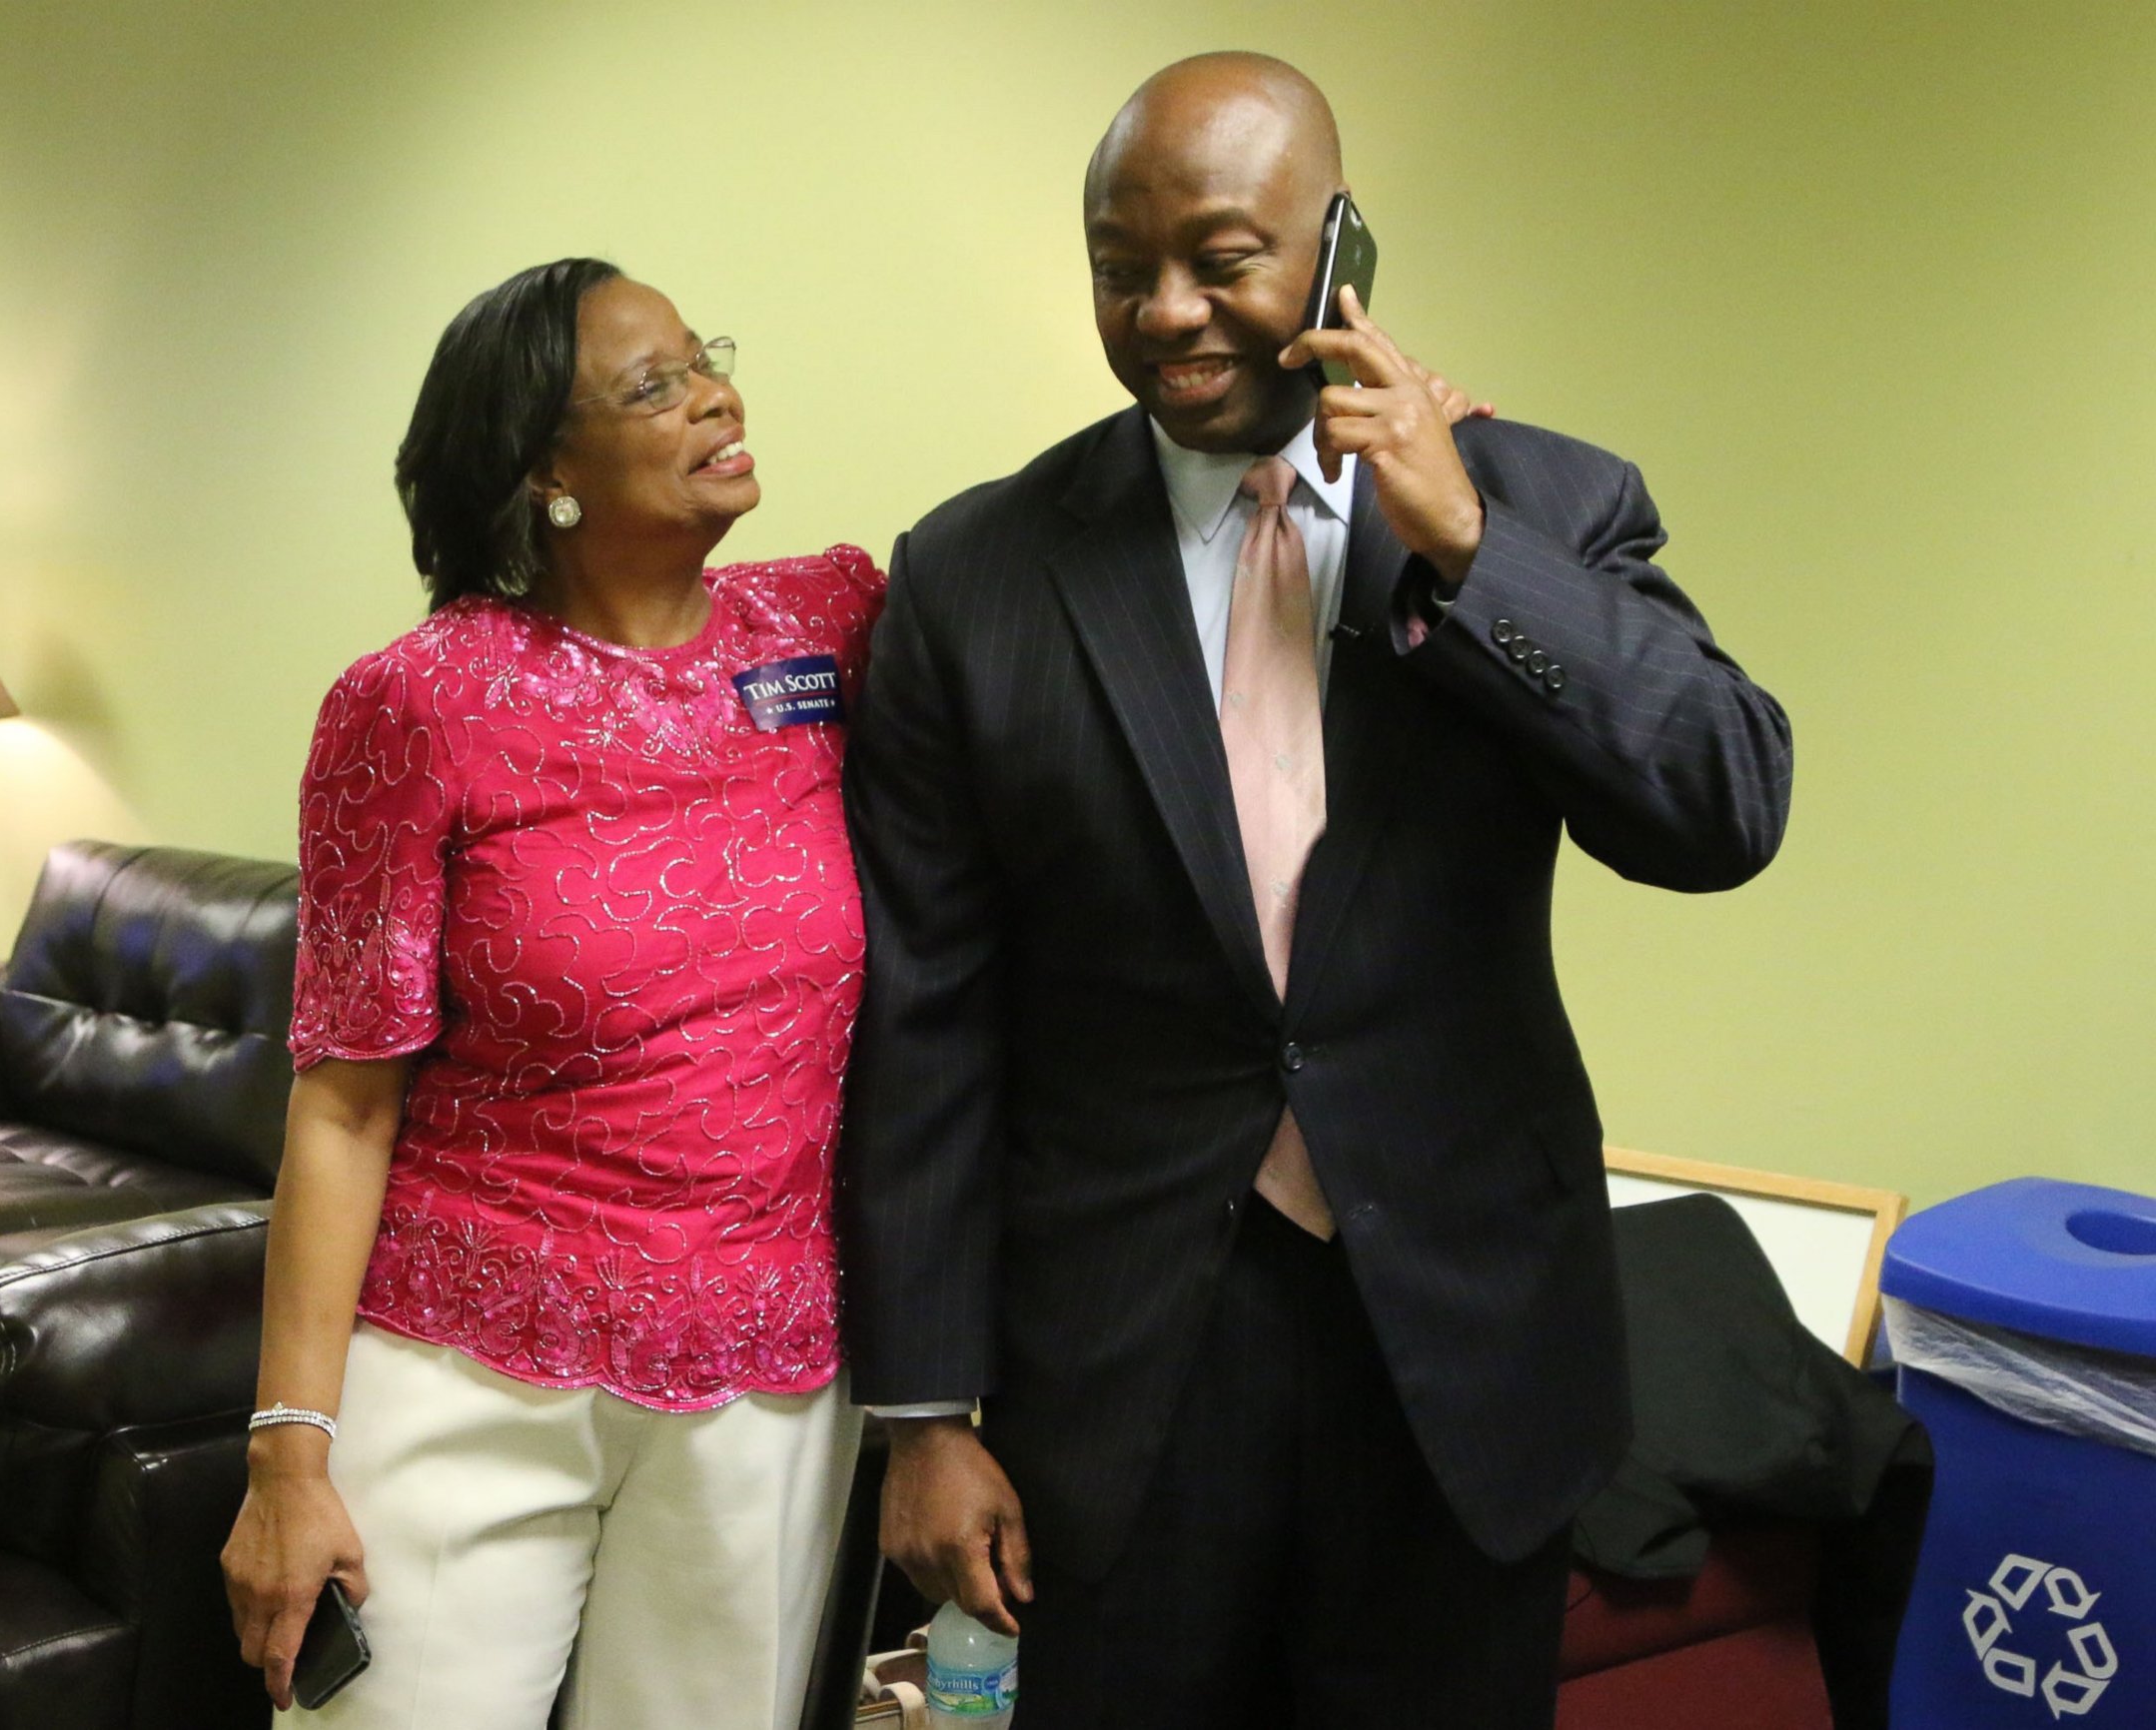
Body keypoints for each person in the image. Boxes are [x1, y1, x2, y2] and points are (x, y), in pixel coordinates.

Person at [838, 52, 1794, 1729]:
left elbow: (1721, 804)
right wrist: (924, 1414)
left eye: (1222, 258)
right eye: (1119, 271)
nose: (1167, 313)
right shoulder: (976, 577)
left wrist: (1469, 546)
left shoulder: (1550, 503)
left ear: (1344, 249)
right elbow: (929, 1016)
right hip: (1124, 1376)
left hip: (1461, 1364)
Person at [221, 258, 880, 1730]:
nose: (715, 391)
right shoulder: (417, 703)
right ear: (547, 475)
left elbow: (1058, 590)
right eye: (652, 385)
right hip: (468, 1373)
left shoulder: (832, 629)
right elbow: (341, 1104)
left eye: (703, 354)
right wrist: (288, 1459)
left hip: (762, 1375)